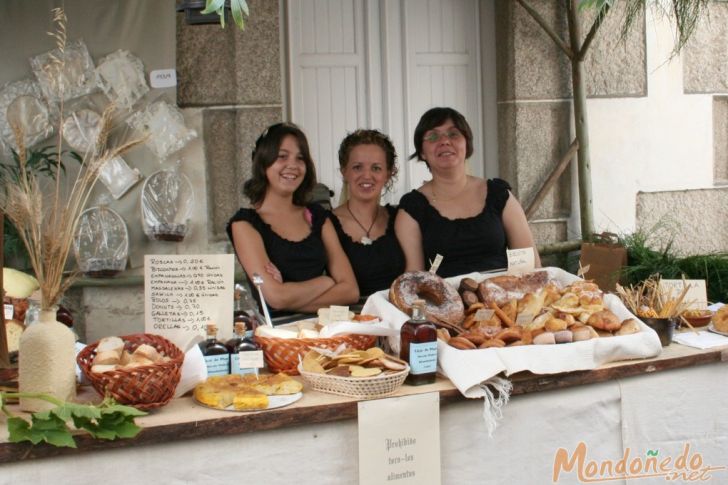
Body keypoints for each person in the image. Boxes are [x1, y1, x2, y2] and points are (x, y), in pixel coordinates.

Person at [226, 122, 359, 316]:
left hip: (327, 331)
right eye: (282, 156)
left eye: (300, 158)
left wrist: (286, 299)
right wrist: (326, 282)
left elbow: (350, 291)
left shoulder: (317, 216)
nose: (293, 165)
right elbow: (275, 297)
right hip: (278, 338)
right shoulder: (245, 224)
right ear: (263, 163)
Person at [395, 107, 541, 278]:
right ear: (422, 152)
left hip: (504, 299)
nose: (444, 141)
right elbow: (415, 277)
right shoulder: (412, 208)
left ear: (467, 144)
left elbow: (531, 265)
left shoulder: (498, 194)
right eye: (433, 136)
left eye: (453, 134)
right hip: (447, 301)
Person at [330, 129, 406, 296]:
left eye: (376, 168)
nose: (367, 175)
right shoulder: (326, 223)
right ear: (344, 172)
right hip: (348, 319)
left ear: (388, 174)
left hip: (397, 316)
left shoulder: (400, 218)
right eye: (357, 167)